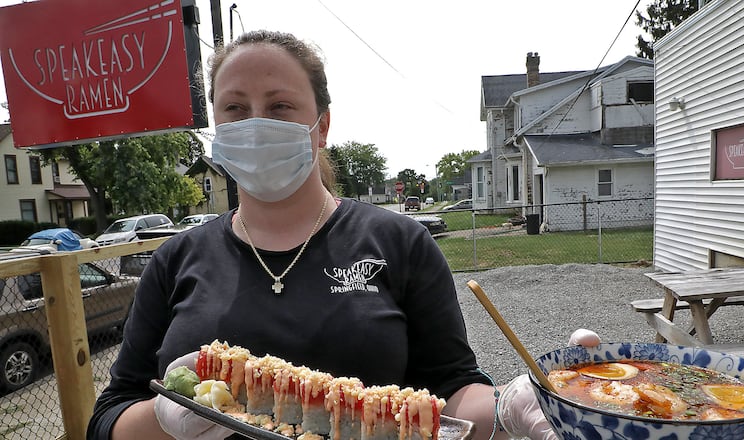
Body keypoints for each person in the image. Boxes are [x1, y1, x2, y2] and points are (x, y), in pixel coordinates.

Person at [87, 29, 600, 440]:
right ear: (217, 128)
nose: (256, 123)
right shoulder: (174, 260)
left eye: (280, 106)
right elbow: (107, 417)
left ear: (322, 124)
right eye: (235, 109)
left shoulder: (400, 244)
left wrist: (513, 405)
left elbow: (453, 389)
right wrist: (165, 415)